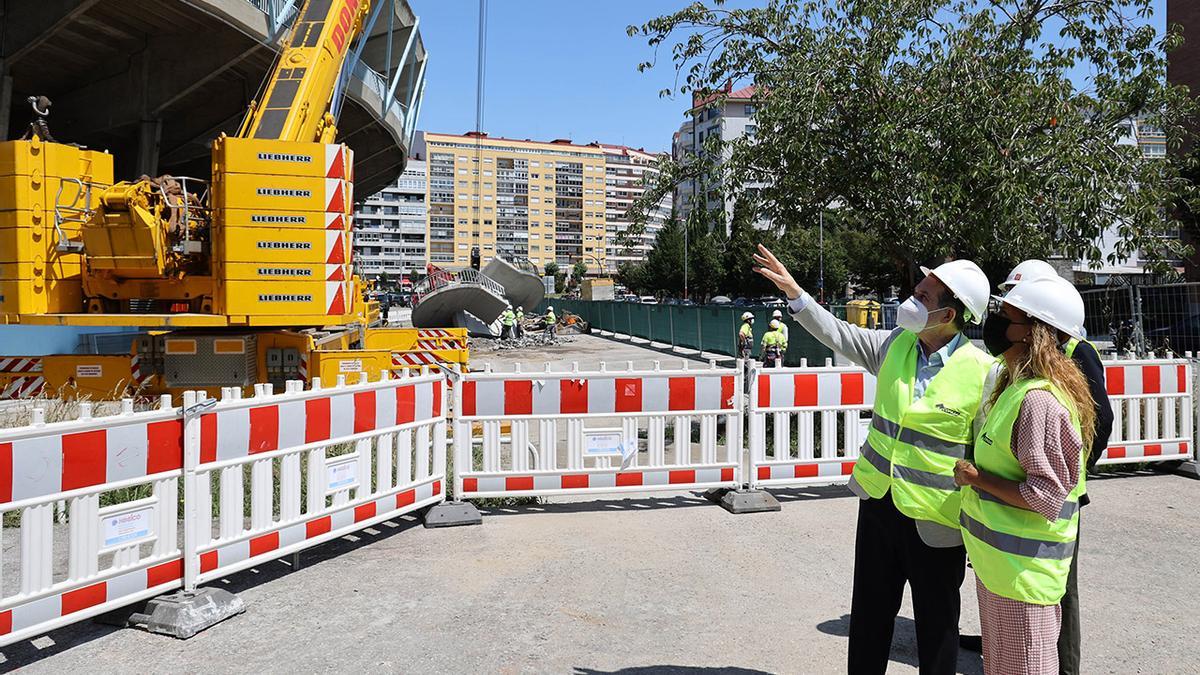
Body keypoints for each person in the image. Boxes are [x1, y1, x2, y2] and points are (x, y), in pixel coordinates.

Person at [754, 244, 996, 675]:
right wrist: (795, 294)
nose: (912, 300)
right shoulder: (894, 346)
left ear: (949, 315)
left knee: (937, 628)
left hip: (937, 523)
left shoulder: (983, 372)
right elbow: (838, 333)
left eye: (923, 296)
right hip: (879, 506)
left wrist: (980, 525)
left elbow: (987, 455)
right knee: (869, 618)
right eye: (916, 290)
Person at [960, 261, 1112, 675]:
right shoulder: (1018, 386)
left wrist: (976, 478)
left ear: (1033, 330)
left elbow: (1044, 497)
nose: (995, 323)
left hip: (1022, 578)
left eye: (1007, 316)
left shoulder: (1039, 401)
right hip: (1003, 572)